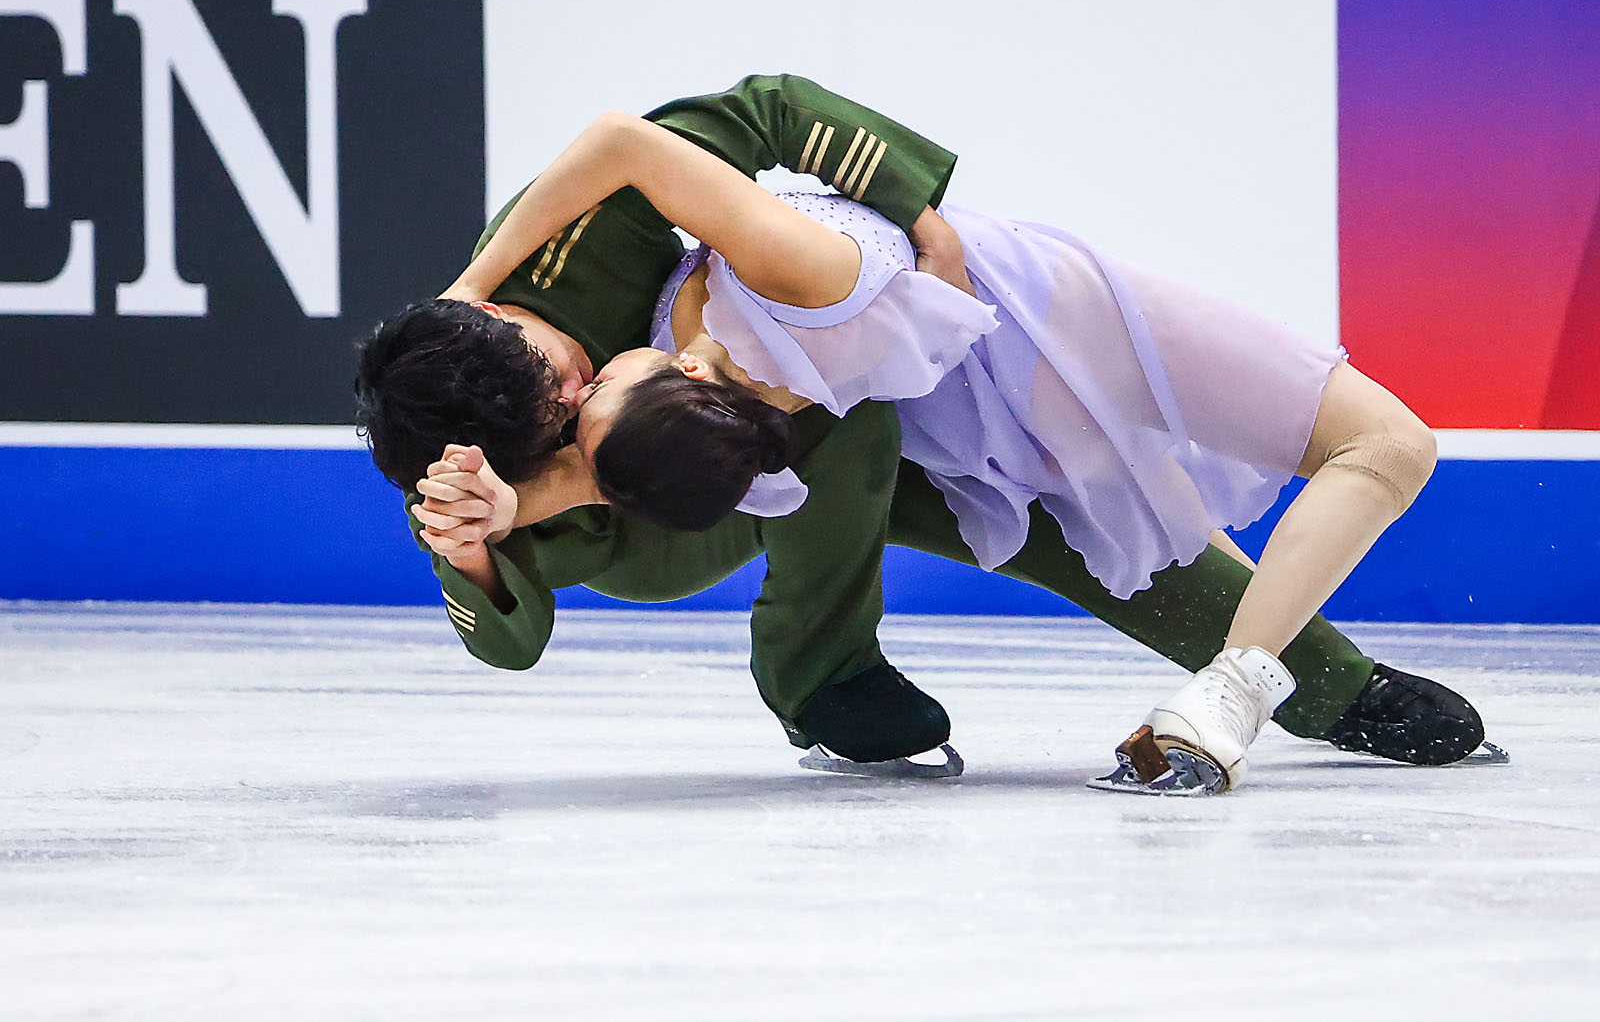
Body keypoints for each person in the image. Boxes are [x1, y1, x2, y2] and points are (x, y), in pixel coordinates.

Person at [361, 76, 1485, 785]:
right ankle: (818, 673)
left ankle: (1332, 686)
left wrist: (913, 206)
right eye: (558, 419)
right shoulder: (477, 453)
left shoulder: (557, 239)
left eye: (562, 371)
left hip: (902, 382)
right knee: (842, 441)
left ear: (497, 306)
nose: (579, 380)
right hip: (685, 502)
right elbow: (508, 638)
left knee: (1085, 531)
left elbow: (762, 111)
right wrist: (473, 546)